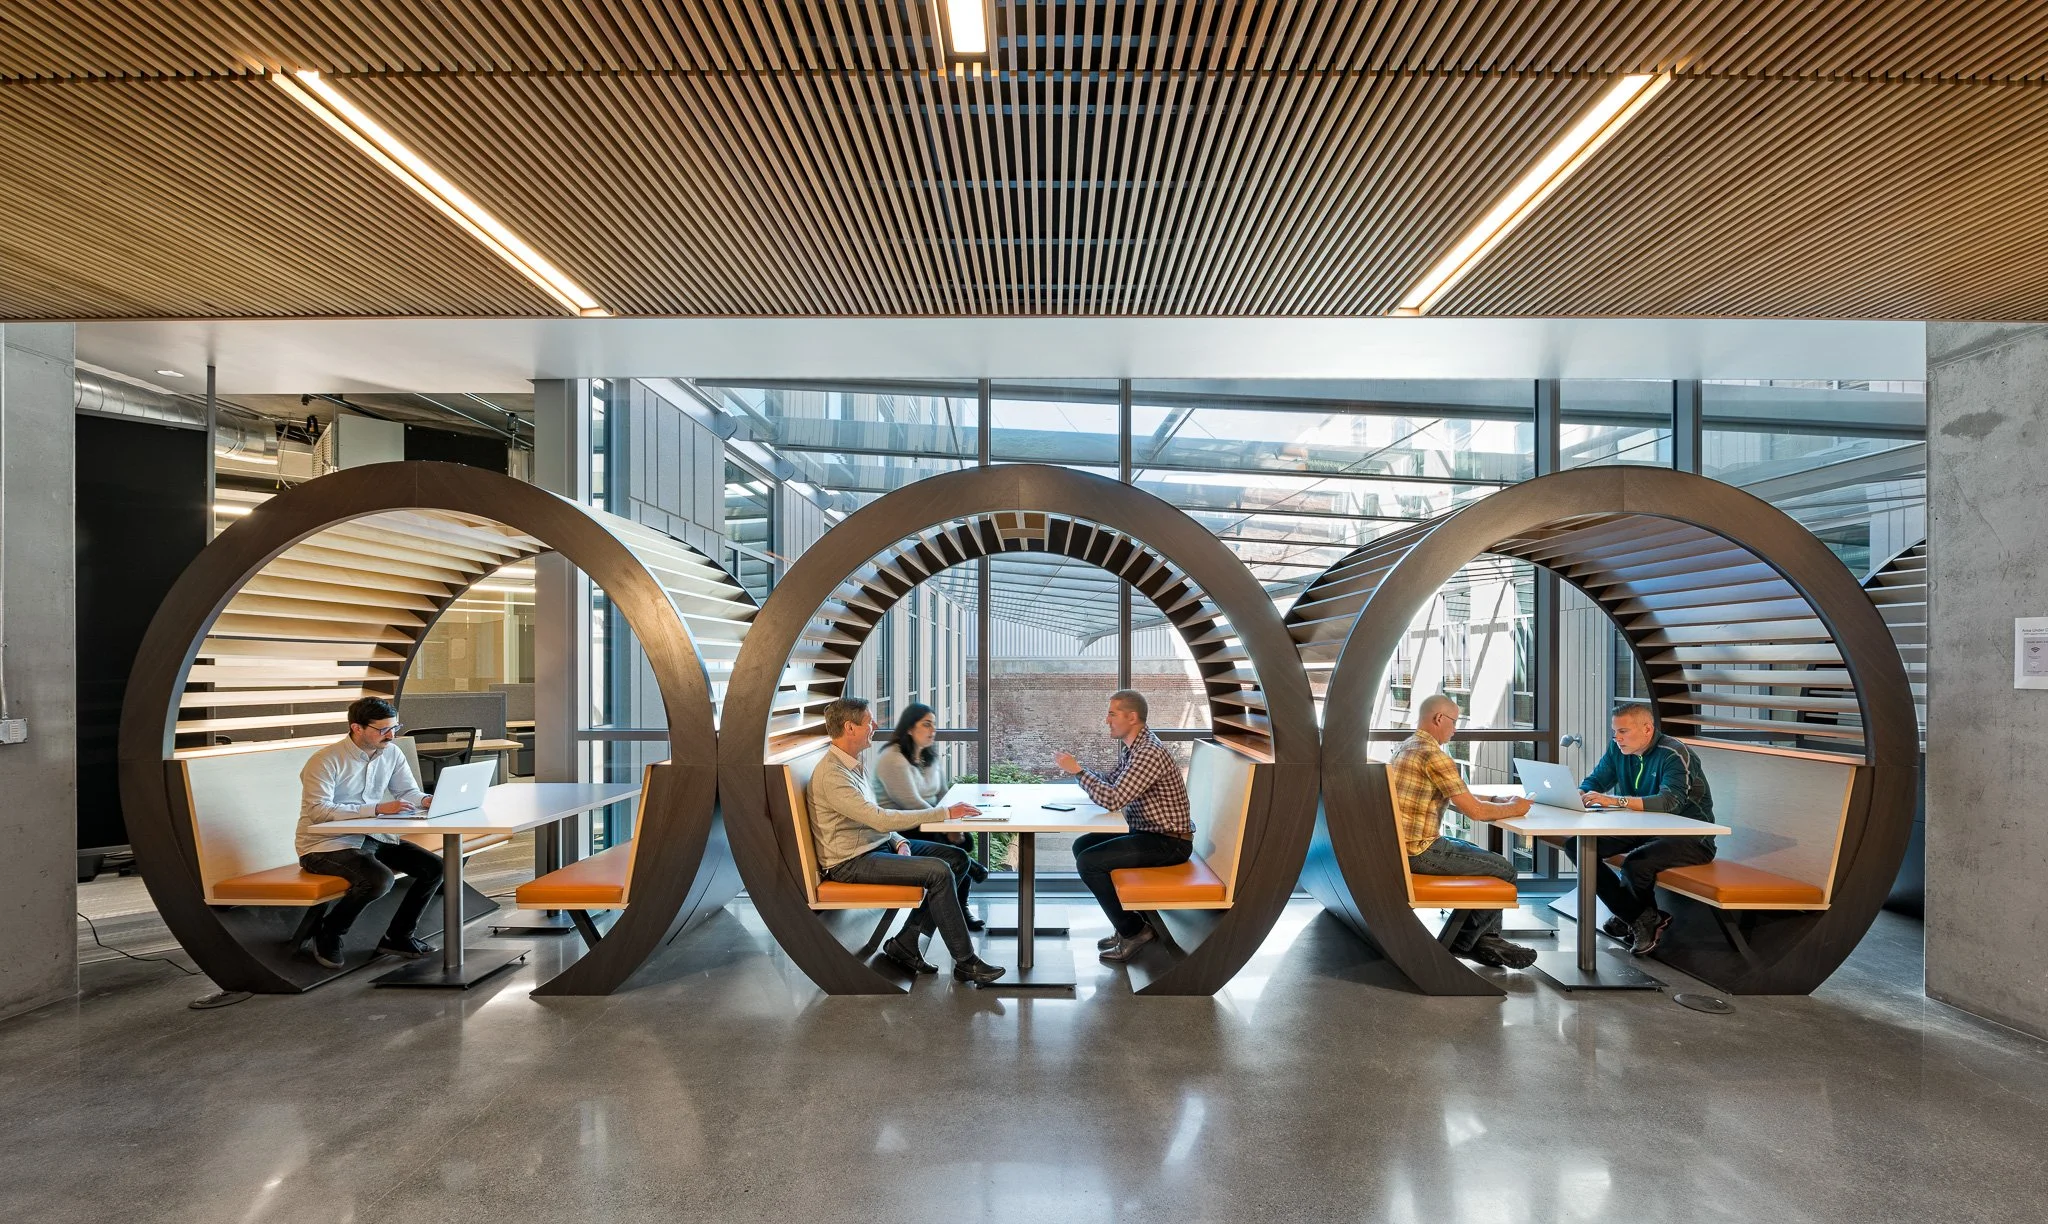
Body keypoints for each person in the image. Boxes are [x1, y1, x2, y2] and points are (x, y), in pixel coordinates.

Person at [809, 696, 1007, 986]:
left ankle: (907, 942)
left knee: (957, 859)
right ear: (850, 728)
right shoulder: (833, 775)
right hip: (851, 862)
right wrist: (946, 813)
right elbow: (878, 817)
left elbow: (874, 818)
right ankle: (967, 962)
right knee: (938, 871)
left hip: (876, 846)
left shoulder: (853, 766)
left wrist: (898, 841)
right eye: (869, 722)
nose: (875, 726)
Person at [1392, 693, 1540, 969]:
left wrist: (1498, 802)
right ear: (1439, 719)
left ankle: (1485, 942)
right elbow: (1476, 813)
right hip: (1420, 850)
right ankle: (1472, 943)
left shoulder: (1408, 746)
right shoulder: (1433, 755)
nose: (1456, 729)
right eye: (1454, 722)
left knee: (1487, 860)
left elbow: (1460, 798)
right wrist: (1517, 808)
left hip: (1403, 845)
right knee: (1504, 869)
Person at [296, 697, 442, 969]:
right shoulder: (325, 760)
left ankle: (398, 936)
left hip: (372, 837)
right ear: (357, 728)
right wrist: (376, 809)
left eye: (395, 728)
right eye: (383, 730)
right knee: (378, 879)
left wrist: (425, 800)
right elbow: (318, 811)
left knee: (434, 868)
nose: (391, 735)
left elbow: (406, 791)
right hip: (324, 845)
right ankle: (329, 932)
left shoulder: (392, 752)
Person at [1054, 690, 1192, 964]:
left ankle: (1135, 931)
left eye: (1112, 714)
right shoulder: (1137, 748)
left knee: (1089, 863)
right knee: (1082, 845)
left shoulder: (1149, 753)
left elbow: (1113, 799)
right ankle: (1127, 923)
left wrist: (1078, 773)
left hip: (1169, 842)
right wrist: (1081, 770)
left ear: (1132, 717)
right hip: (1148, 834)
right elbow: (1111, 781)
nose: (1107, 720)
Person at [1568, 703, 1717, 955]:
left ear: (1647, 729)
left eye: (1623, 731)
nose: (1617, 738)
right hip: (1643, 828)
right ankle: (1637, 916)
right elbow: (1597, 780)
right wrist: (1579, 793)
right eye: (1615, 732)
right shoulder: (1619, 750)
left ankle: (1633, 917)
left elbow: (1670, 802)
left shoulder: (1674, 754)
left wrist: (1616, 801)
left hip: (1692, 837)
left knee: (1636, 863)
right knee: (1578, 846)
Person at [876, 702, 987, 930]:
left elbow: (943, 793)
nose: (932, 730)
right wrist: (945, 823)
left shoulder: (929, 758)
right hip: (898, 827)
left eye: (934, 725)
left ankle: (961, 904)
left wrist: (953, 824)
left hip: (927, 820)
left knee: (963, 840)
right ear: (909, 728)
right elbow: (911, 803)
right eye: (926, 724)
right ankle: (963, 895)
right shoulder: (892, 758)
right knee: (953, 850)